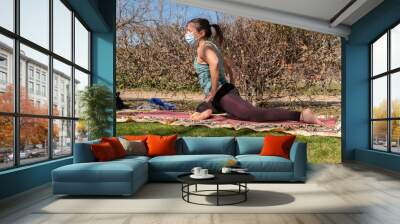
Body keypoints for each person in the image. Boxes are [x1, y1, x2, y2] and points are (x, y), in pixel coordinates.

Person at [184, 18, 323, 125]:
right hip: (222, 93)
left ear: (201, 33)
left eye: (189, 31)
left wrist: (214, 92)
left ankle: (301, 115)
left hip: (221, 93)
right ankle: (207, 109)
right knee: (201, 109)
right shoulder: (212, 45)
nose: (186, 34)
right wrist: (231, 83)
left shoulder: (204, 48)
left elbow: (214, 63)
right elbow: (228, 64)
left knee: (251, 114)